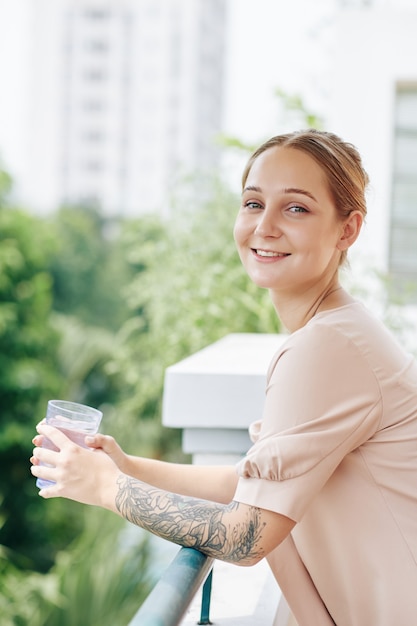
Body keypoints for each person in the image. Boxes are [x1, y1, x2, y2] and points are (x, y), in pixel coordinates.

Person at [31, 129, 417, 626]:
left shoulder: (329, 346)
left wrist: (108, 489)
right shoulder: (336, 333)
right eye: (253, 203)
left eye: (296, 208)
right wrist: (127, 467)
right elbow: (253, 483)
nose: (266, 227)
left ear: (348, 229)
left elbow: (246, 535)